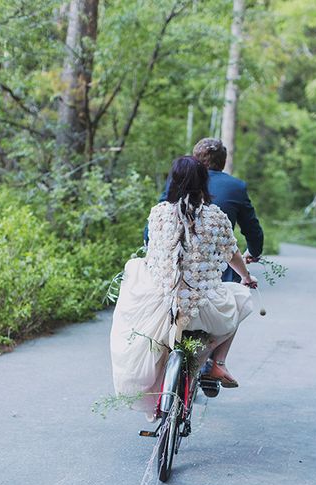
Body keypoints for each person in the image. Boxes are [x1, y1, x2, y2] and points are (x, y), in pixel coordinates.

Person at [111, 156, 259, 417]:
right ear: (204, 183)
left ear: (173, 181)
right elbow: (232, 254)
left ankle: (159, 398)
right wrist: (246, 277)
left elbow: (152, 253)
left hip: (160, 305)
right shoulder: (215, 216)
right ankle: (216, 362)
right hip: (201, 308)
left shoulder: (159, 213)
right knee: (240, 297)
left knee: (136, 271)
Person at [144, 137, 264, 283]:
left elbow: (155, 226)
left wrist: (150, 249)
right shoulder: (234, 189)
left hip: (174, 271)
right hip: (218, 271)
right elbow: (249, 230)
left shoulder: (175, 184)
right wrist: (253, 253)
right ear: (223, 162)